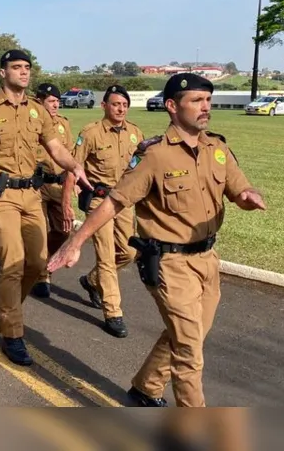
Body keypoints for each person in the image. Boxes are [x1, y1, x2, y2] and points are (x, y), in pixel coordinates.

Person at [47, 73, 267, 407]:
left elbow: (239, 189)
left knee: (189, 335)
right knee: (189, 350)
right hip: (169, 263)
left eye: (207, 100)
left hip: (207, 261)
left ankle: (146, 387)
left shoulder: (217, 149)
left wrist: (249, 196)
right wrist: (75, 241)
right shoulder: (155, 155)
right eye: (196, 101)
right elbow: (115, 202)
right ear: (172, 106)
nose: (205, 107)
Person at [0, 50, 90, 366]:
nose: (24, 72)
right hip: (1, 196)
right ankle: (12, 334)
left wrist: (75, 167)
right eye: (16, 67)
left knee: (39, 264)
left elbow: (56, 148)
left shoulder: (38, 112)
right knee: (13, 263)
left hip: (31, 194)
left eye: (27, 68)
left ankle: (5, 300)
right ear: (2, 73)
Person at [61, 84, 143, 338]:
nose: (121, 109)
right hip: (99, 201)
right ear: (104, 106)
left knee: (129, 252)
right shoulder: (91, 133)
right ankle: (113, 312)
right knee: (106, 256)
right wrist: (66, 201)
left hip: (123, 202)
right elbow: (74, 167)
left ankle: (92, 280)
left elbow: (141, 170)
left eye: (124, 105)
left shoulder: (135, 134)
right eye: (116, 104)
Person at [29, 83, 74, 298]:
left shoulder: (63, 124)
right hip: (36, 185)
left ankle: (41, 260)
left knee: (63, 230)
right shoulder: (29, 122)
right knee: (37, 230)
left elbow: (69, 157)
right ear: (40, 102)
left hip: (58, 184)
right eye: (51, 101)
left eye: (57, 101)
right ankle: (41, 276)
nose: (56, 104)